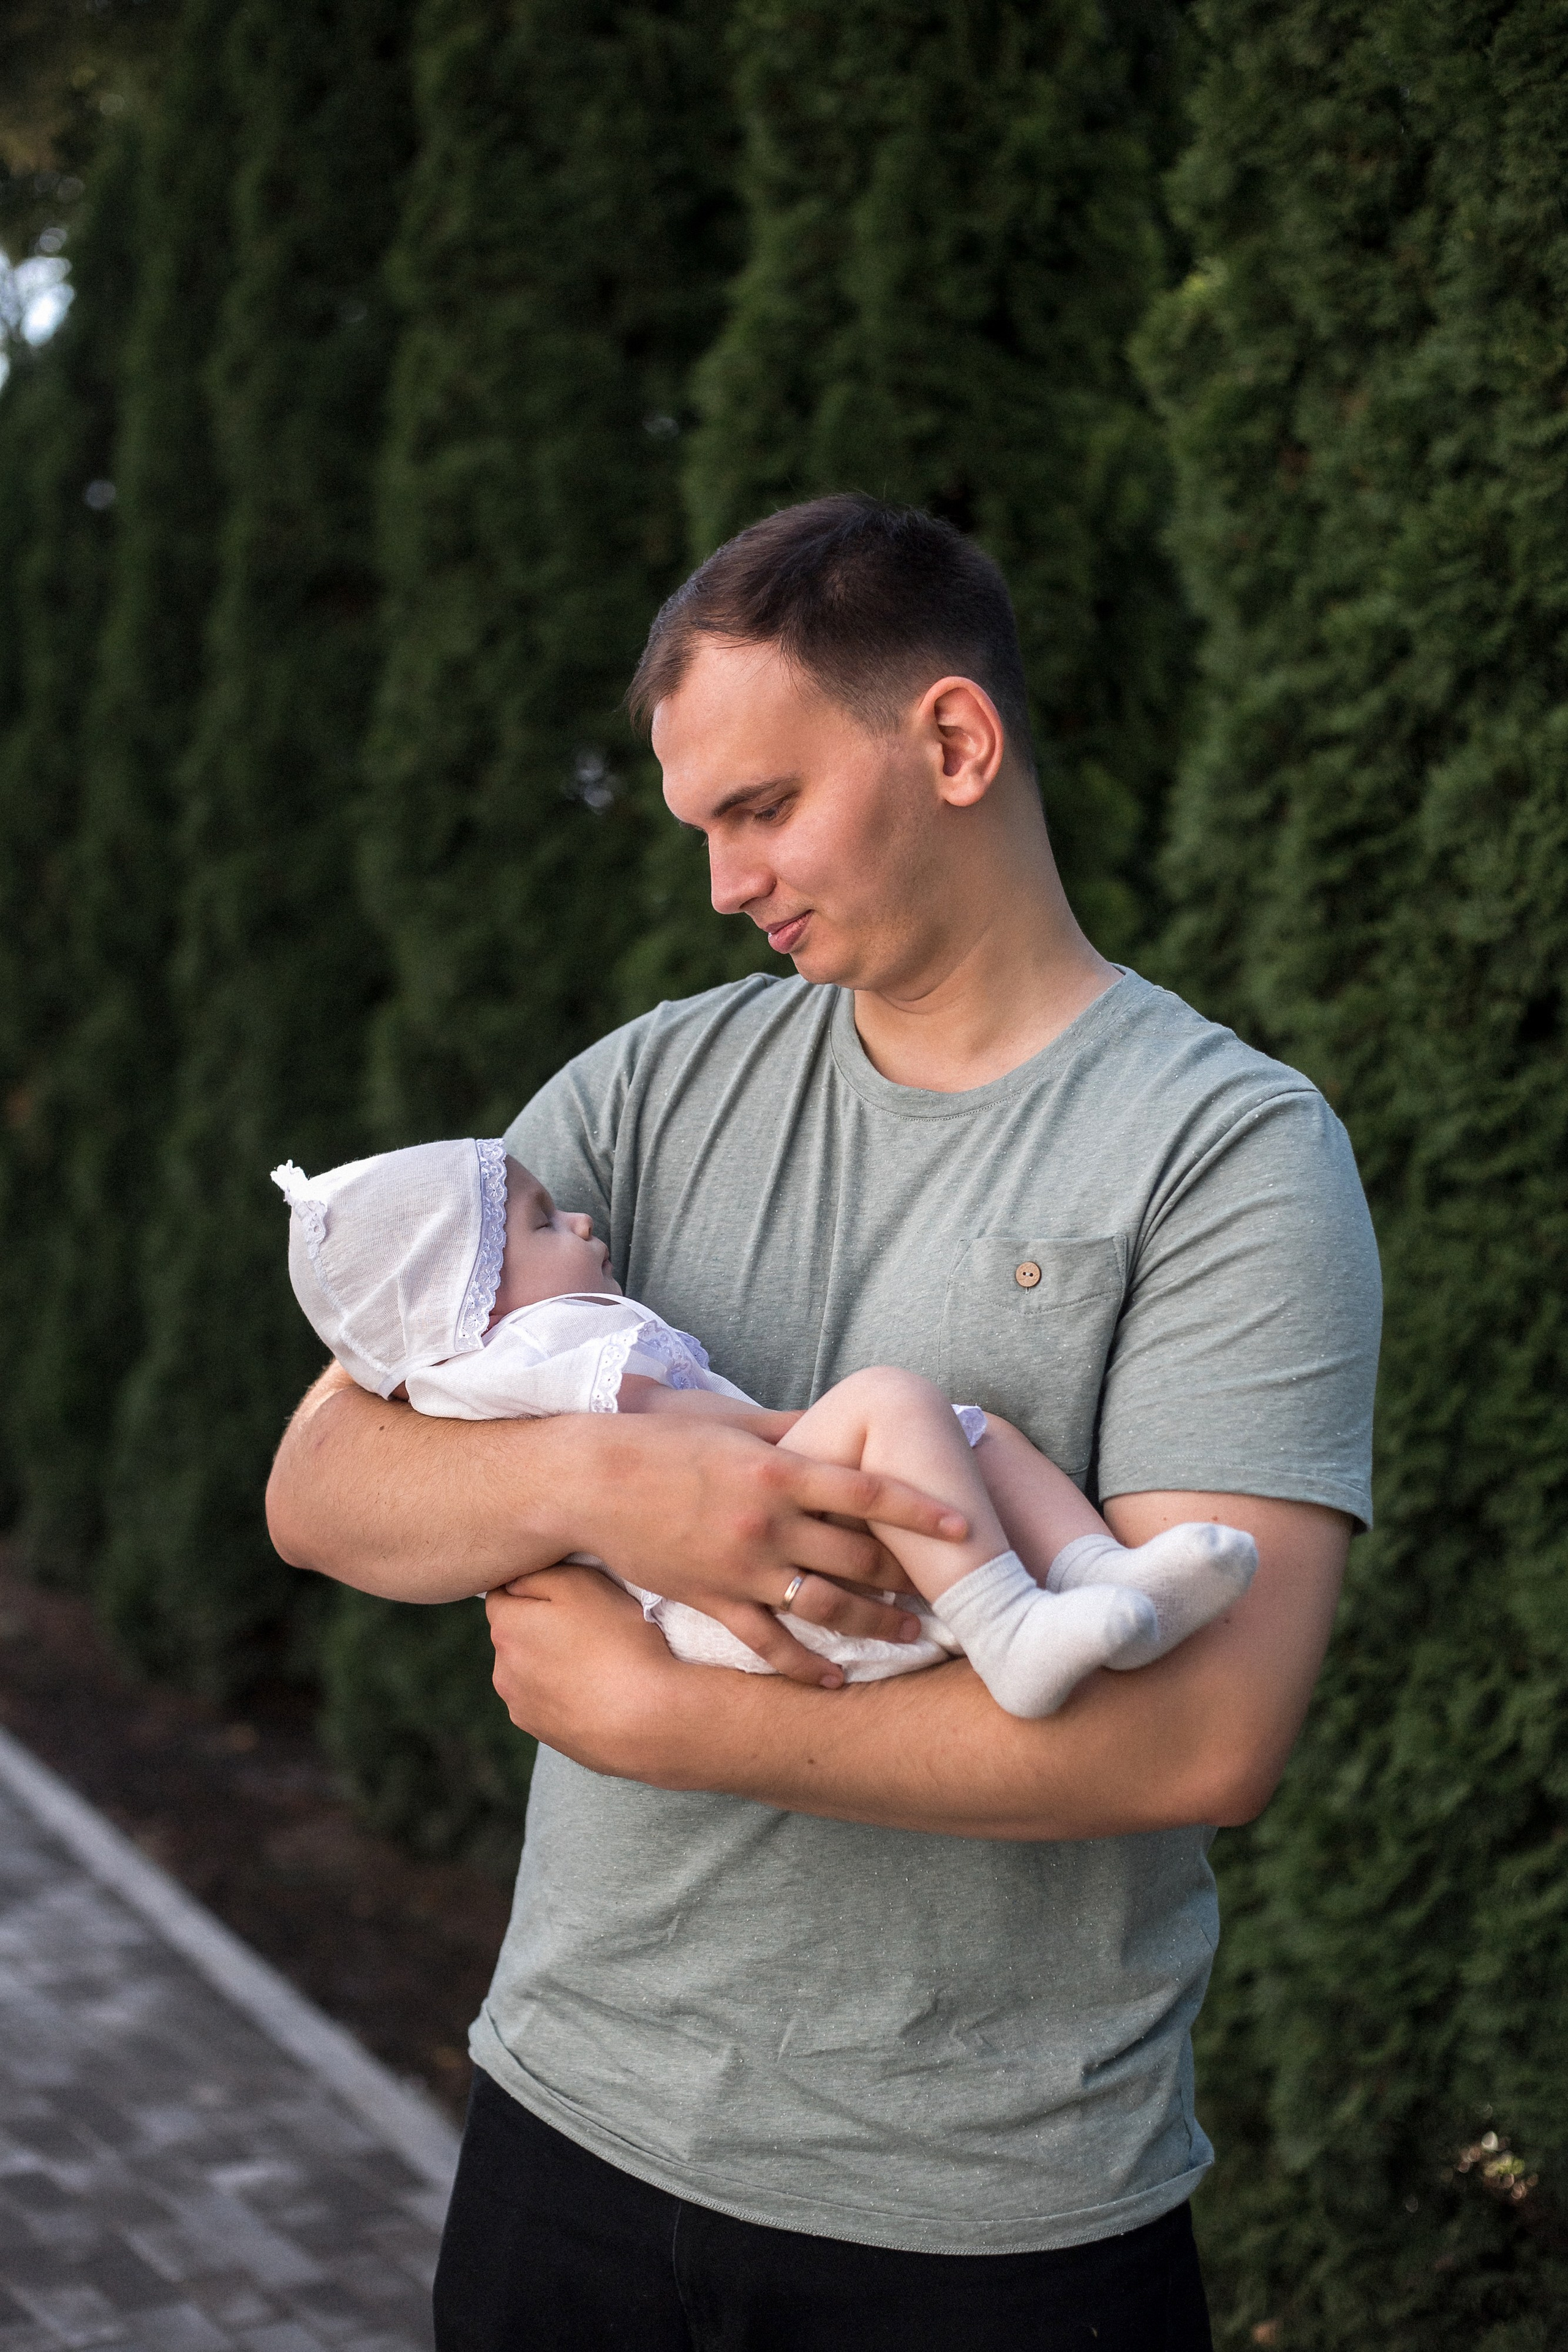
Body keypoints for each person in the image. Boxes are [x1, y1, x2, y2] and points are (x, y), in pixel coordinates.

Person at [266, 494, 1381, 2350]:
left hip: (987, 2229)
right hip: (570, 2133)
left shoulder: (1231, 1155)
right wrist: (619, 1478)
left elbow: (1203, 1735)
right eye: (700, 824)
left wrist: (660, 1718)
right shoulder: (651, 1083)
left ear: (953, 742)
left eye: (762, 809)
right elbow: (322, 1479)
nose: (721, 881)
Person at [270, 1136, 1257, 1713]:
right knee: (893, 1400)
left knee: (974, 1432)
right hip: (736, 1590)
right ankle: (1013, 1631)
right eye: (539, 1223)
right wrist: (790, 1430)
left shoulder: (492, 1369)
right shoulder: (538, 1347)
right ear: (466, 1304)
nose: (576, 1223)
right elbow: (669, 1440)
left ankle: (1098, 1580)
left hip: (742, 1590)